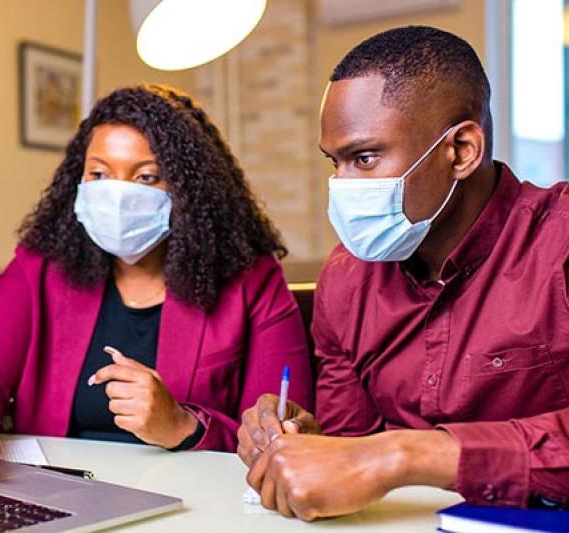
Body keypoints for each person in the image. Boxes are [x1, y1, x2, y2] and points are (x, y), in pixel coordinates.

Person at [237, 26, 569, 520]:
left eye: (364, 158)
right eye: (335, 162)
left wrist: (404, 455)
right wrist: (308, 447)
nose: (340, 187)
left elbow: (380, 459)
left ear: (461, 151)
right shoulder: (347, 280)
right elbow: (353, 445)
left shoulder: (558, 244)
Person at [0, 85, 313, 467]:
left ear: (190, 190)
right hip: (57, 492)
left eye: (147, 177)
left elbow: (282, 427)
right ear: (77, 183)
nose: (117, 194)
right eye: (99, 173)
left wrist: (184, 425)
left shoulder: (253, 280)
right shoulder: (40, 266)